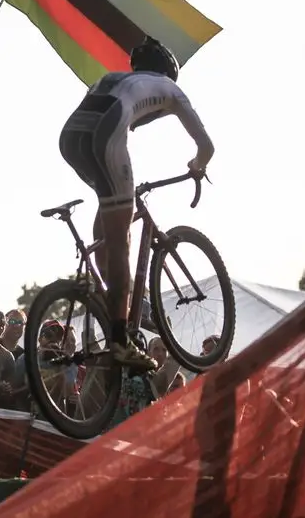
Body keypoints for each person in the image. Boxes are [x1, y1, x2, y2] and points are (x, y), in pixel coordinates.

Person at [58, 36, 214, 369]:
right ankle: (119, 339)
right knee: (121, 242)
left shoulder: (116, 78)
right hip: (105, 134)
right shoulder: (171, 89)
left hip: (70, 138)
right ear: (169, 71)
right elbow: (206, 145)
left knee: (107, 220)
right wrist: (197, 166)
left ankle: (106, 300)